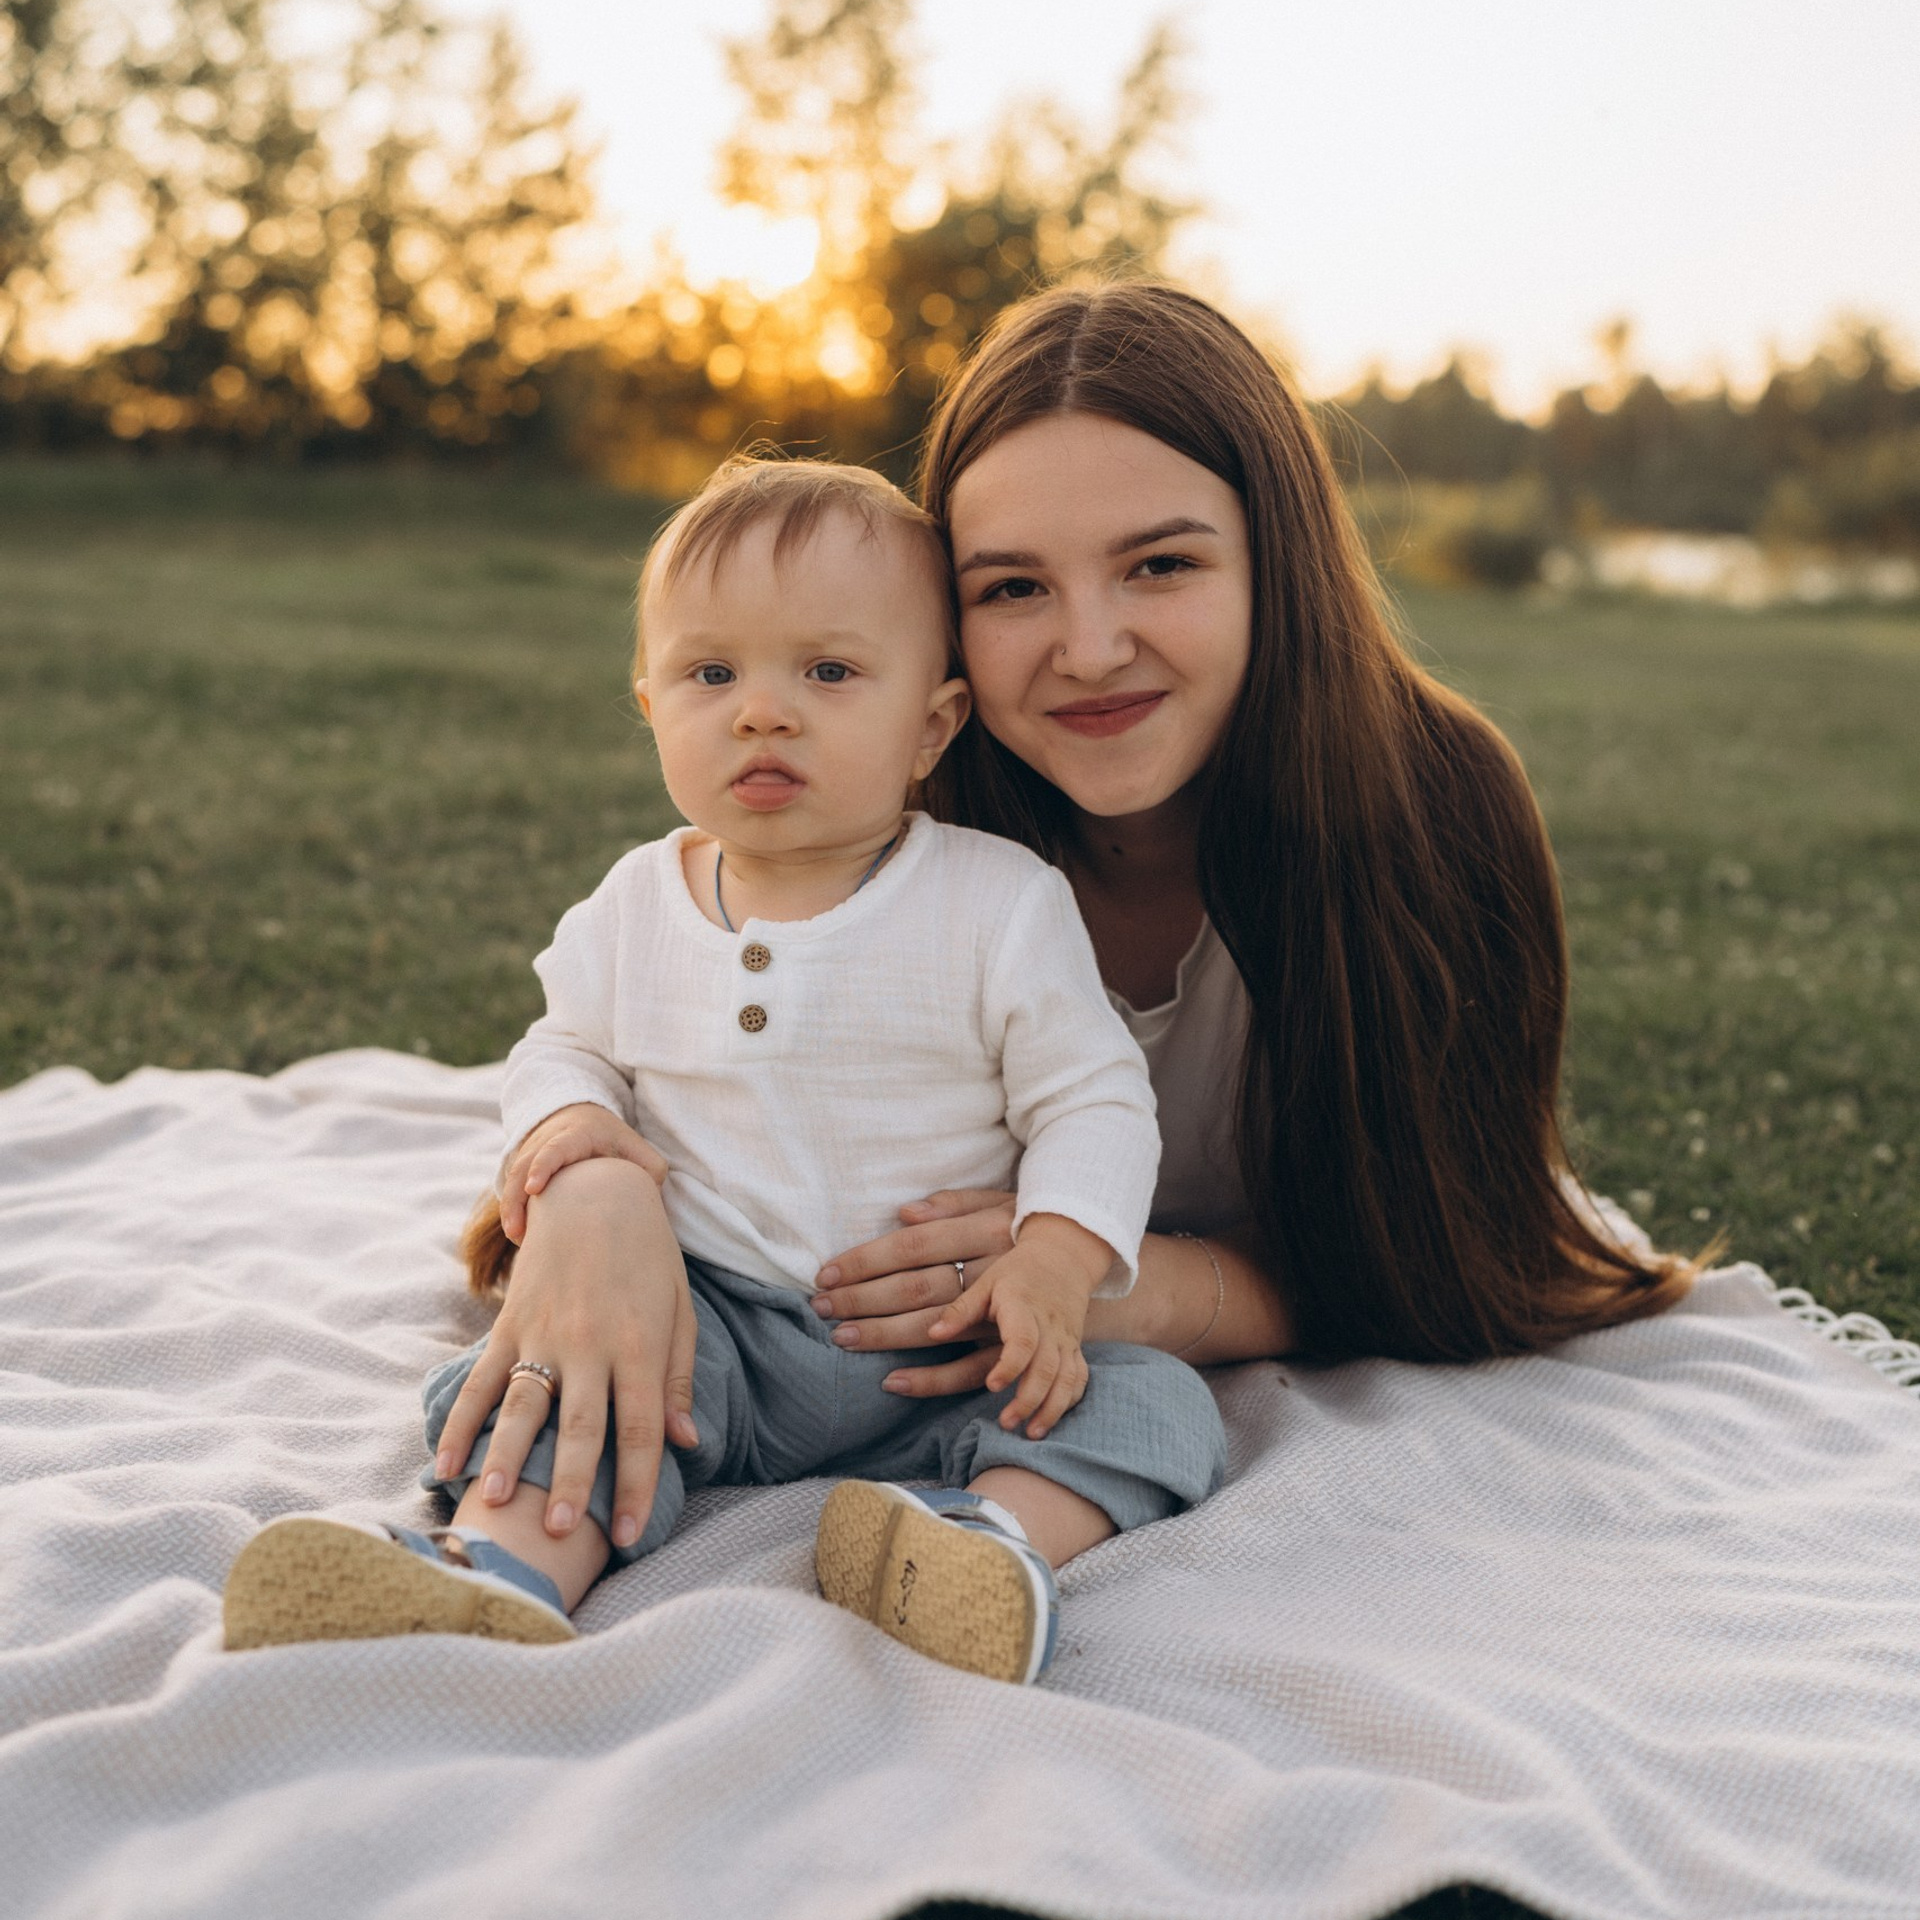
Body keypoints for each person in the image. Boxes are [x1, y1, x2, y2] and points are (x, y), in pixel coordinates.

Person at [442, 281, 1701, 1563]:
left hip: (1037, 1355)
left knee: (1126, 1420)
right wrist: (591, 1197)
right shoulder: (895, 808)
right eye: (1012, 588)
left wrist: (1135, 1286)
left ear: (1279, 559)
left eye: (1161, 564)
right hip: (804, 1334)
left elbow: (1451, 1248)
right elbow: (670, 1057)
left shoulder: (1432, 807)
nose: (1090, 649)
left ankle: (969, 1557)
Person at [222, 455, 1226, 1686]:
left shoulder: (994, 902)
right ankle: (499, 1570)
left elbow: (1093, 1096)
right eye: (712, 674)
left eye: (829, 672)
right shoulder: (635, 903)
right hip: (714, 1334)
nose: (763, 711)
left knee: (1153, 1402)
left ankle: (985, 1543)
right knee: (560, 1390)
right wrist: (574, 1138)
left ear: (932, 726)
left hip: (953, 1349)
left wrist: (1058, 1263)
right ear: (650, 704)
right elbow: (562, 1048)